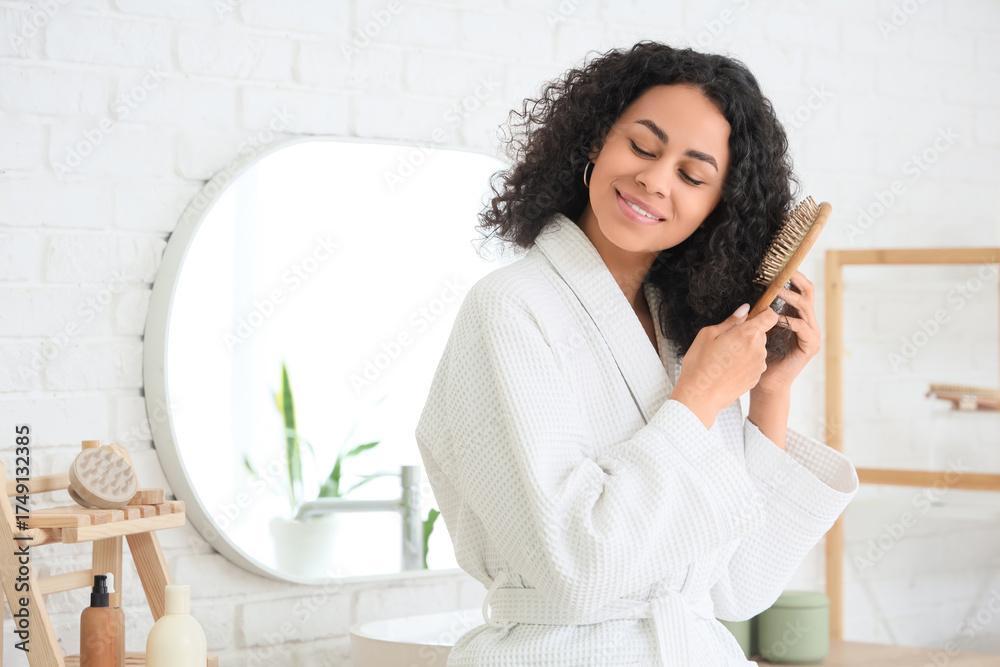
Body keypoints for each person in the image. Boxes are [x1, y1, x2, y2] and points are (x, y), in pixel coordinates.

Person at [415, 40, 860, 666]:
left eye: (693, 176)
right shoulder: (510, 308)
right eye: (643, 147)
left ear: (716, 209)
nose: (654, 180)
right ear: (596, 140)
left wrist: (770, 394)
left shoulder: (684, 336)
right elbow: (573, 569)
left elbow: (739, 588)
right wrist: (698, 398)